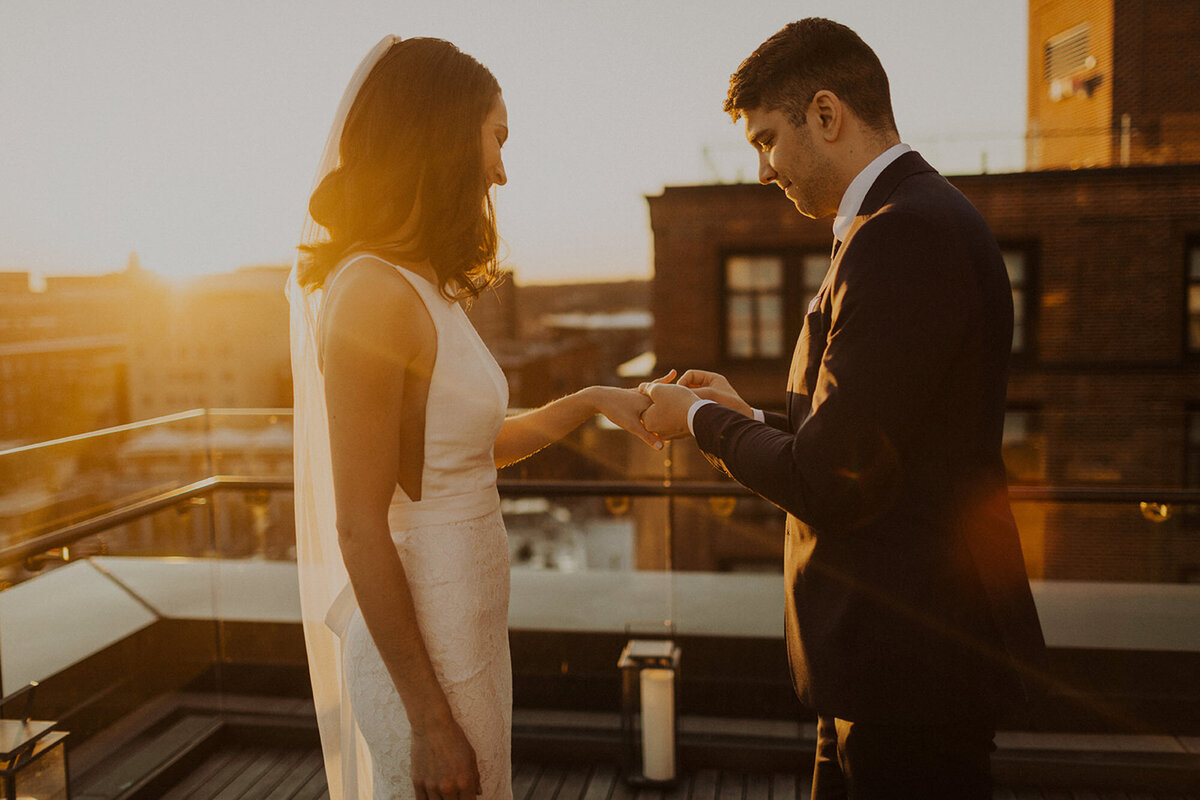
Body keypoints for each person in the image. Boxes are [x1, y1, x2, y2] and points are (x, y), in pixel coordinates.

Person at [640, 18, 1046, 799]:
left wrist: (696, 423)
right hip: (889, 663)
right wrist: (749, 418)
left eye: (767, 140)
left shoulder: (903, 236)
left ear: (826, 114)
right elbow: (868, 438)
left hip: (910, 661)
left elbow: (832, 479)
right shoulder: (903, 221)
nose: (762, 169)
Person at [288, 36, 659, 800]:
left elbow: (471, 451)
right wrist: (428, 722)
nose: (502, 167)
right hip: (425, 649)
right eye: (497, 137)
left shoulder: (426, 286)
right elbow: (359, 526)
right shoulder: (370, 294)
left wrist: (591, 401)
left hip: (468, 628)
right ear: (442, 131)